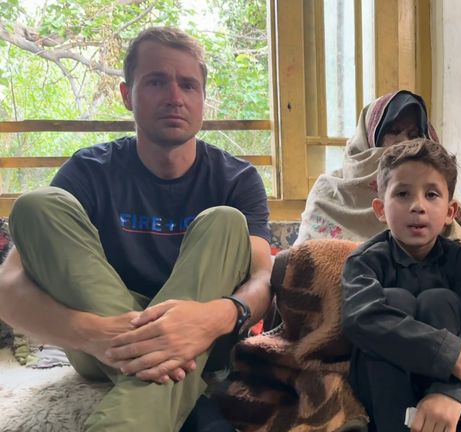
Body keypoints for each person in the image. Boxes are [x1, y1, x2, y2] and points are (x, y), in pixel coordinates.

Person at [0, 27, 273, 432]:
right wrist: (91, 333)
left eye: (188, 85)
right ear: (127, 94)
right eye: (156, 81)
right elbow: (8, 288)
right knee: (37, 205)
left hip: (204, 339)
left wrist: (215, 316)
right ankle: (186, 401)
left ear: (202, 100)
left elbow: (264, 277)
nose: (174, 97)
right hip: (101, 343)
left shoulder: (236, 179)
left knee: (224, 220)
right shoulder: (88, 172)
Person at [341, 139, 461, 432]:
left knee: (440, 300)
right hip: (385, 391)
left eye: (431, 195)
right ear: (380, 208)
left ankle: (449, 415)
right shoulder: (364, 261)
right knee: (395, 299)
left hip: (449, 392)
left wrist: (451, 390)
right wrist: (447, 351)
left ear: (451, 211)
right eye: (402, 194)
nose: (418, 206)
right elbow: (361, 319)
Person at [295, 90, 461, 275]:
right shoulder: (330, 191)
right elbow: (302, 262)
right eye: (393, 131)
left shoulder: (435, 198)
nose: (404, 141)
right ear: (371, 137)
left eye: (414, 134)